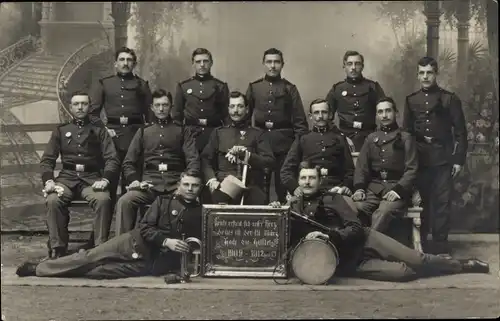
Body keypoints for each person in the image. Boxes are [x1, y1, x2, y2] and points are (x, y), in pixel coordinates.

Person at [270, 162, 489, 282]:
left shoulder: (332, 199)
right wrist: (276, 216)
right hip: (350, 263)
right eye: (303, 178)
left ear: (319, 181)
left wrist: (330, 236)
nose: (307, 182)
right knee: (404, 273)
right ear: (298, 181)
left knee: (417, 260)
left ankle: (462, 264)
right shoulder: (293, 207)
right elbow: (288, 243)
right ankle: (435, 262)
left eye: (312, 178)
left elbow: (355, 228)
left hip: (366, 240)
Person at [16, 171, 204, 280]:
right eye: (186, 184)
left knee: (97, 272)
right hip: (133, 242)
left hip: (150, 264)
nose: (189, 189)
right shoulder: (163, 201)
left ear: (200, 188)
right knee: (91, 257)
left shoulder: (202, 213)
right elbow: (145, 227)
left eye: (194, 185)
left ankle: (62, 266)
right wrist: (166, 242)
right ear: (179, 185)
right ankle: (39, 269)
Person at [39, 91, 120, 258]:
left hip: (91, 179)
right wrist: (48, 181)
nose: (80, 107)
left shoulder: (99, 131)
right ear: (70, 107)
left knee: (103, 199)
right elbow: (47, 160)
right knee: (53, 199)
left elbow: (112, 158)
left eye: (84, 104)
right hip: (66, 178)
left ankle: (100, 248)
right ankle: (58, 248)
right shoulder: (61, 131)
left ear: (90, 107)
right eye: (76, 104)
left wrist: (105, 180)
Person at [87, 47, 153, 248]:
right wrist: (105, 131)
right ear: (115, 63)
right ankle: (99, 240)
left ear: (134, 63)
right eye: (122, 60)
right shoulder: (105, 84)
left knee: (132, 190)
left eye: (129, 60)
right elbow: (92, 114)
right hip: (112, 141)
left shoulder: (142, 85)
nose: (125, 63)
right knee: (107, 190)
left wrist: (144, 138)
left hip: (136, 139)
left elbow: (149, 117)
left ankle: (131, 239)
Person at [403, 57, 468, 255]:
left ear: (435, 73)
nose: (425, 77)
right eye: (421, 73)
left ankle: (440, 247)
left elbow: (460, 133)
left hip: (443, 158)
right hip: (420, 159)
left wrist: (458, 160)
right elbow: (407, 133)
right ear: (417, 75)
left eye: (429, 72)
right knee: (420, 202)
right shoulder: (411, 100)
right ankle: (420, 245)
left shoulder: (449, 99)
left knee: (442, 203)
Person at [114, 89, 200, 235]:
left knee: (195, 201)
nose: (161, 109)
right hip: (149, 186)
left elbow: (193, 159)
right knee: (125, 201)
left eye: (165, 105)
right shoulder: (143, 131)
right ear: (152, 107)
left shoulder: (182, 130)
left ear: (171, 107)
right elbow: (128, 162)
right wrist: (135, 181)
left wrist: (186, 183)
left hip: (176, 185)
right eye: (158, 105)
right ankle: (123, 246)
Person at [246, 48, 309, 203]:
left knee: (283, 187)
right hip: (260, 144)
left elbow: (300, 123)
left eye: (276, 62)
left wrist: (297, 148)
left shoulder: (290, 88)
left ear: (282, 64)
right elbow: (244, 119)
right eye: (269, 62)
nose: (272, 66)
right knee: (258, 189)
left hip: (284, 145)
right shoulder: (254, 88)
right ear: (263, 64)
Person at [352, 97, 418, 234]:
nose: (384, 115)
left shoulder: (406, 138)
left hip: (396, 189)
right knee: (355, 207)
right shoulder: (371, 138)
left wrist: (398, 190)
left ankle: (366, 247)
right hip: (373, 189)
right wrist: (359, 189)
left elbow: (412, 169)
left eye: (388, 111)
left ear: (396, 113)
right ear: (376, 115)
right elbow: (361, 167)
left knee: (384, 211)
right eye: (380, 112)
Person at [201, 91, 275, 205]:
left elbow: (269, 161)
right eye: (232, 106)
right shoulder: (218, 133)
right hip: (223, 188)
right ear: (228, 109)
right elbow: (206, 160)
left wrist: (248, 155)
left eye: (240, 106)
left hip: (250, 188)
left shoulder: (258, 134)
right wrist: (212, 180)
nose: (236, 110)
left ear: (246, 109)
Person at [281, 98, 355, 200]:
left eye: (324, 112)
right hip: (308, 189)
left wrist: (346, 187)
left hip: (334, 190)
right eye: (316, 113)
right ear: (310, 116)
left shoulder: (339, 138)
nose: (320, 116)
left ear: (330, 115)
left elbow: (350, 170)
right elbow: (286, 170)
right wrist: (295, 188)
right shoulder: (303, 138)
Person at [325, 50, 386, 151]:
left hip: (370, 138)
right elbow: (326, 117)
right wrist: (339, 137)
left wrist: (377, 135)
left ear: (362, 66)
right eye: (349, 64)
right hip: (343, 139)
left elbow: (386, 112)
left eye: (357, 64)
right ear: (344, 66)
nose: (353, 68)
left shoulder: (373, 87)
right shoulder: (337, 89)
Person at [172, 48, 230, 152]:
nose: (202, 65)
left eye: (205, 61)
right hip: (190, 134)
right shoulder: (184, 86)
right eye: (198, 62)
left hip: (213, 134)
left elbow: (226, 115)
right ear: (193, 64)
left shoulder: (220, 86)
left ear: (211, 63)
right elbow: (177, 115)